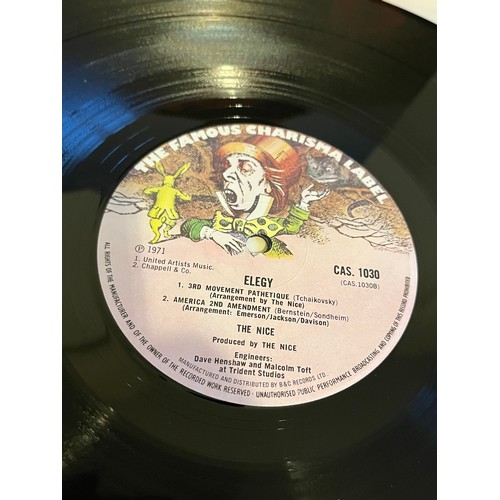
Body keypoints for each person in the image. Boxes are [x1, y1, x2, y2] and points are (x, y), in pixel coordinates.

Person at [180, 135, 330, 257]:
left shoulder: (271, 225)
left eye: (245, 169)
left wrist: (304, 202)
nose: (226, 174)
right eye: (228, 167)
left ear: (268, 185)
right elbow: (189, 225)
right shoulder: (220, 221)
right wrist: (213, 234)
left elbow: (292, 227)